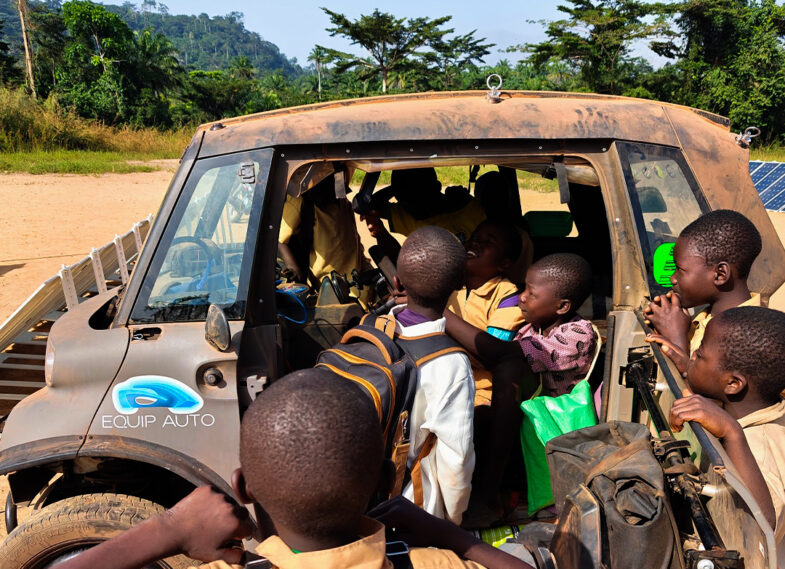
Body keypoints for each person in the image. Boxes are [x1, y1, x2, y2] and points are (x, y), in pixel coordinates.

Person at [56, 369, 532, 569]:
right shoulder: (433, 564)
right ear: (386, 484)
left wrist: (169, 527)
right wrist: (443, 532)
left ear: (242, 486)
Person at [444, 253, 597, 522]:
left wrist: (441, 313)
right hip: (526, 417)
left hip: (553, 426)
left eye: (531, 293)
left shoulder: (576, 334)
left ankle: (491, 493)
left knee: (509, 369)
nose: (522, 297)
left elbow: (502, 354)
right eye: (523, 288)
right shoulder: (531, 329)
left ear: (562, 306)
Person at [667, 306, 785, 565]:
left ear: (733, 384)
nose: (694, 352)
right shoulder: (763, 408)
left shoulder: (757, 446)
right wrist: (690, 368)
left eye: (701, 354)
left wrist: (733, 434)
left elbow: (763, 527)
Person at [389, 225, 476, 525]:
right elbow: (456, 459)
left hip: (359, 495)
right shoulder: (450, 363)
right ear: (459, 284)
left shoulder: (370, 328)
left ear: (397, 282)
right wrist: (451, 523)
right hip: (411, 509)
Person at [645, 209, 762, 374]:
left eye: (680, 269)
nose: (673, 278)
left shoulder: (749, 338)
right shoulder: (702, 320)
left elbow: (705, 397)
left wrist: (676, 342)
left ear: (720, 274)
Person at [446, 220, 526, 406]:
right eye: (474, 238)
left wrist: (436, 310)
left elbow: (490, 356)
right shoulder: (449, 283)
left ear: (504, 263)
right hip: (441, 380)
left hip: (481, 391)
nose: (475, 243)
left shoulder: (508, 296)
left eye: (488, 242)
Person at [362, 168, 487, 263]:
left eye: (418, 199)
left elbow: (369, 205)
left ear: (437, 187)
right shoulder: (408, 217)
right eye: (405, 203)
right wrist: (396, 189)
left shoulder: (470, 208)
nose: (412, 208)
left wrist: (396, 190)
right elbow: (368, 206)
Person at [278, 172, 372, 294]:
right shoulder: (300, 202)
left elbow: (354, 244)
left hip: (359, 279)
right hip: (332, 286)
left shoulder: (342, 202)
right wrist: (293, 267)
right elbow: (280, 240)